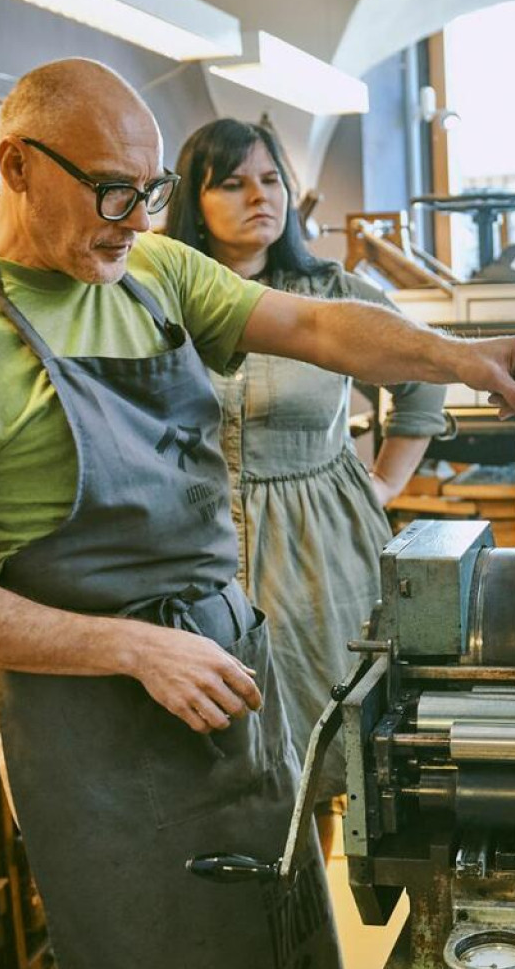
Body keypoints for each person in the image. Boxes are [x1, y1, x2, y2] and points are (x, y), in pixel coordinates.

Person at [0, 57, 515, 969]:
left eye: (150, 190)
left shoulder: (155, 272)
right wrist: (131, 648)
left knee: (282, 934)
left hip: (227, 677)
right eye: (110, 191)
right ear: (15, 165)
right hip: (95, 719)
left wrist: (452, 356)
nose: (136, 219)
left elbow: (313, 327)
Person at [166, 117, 448, 855]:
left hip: (317, 546)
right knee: (212, 744)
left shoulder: (332, 292)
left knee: (317, 747)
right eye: (231, 183)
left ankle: (305, 920)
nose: (259, 197)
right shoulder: (162, 295)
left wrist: (381, 487)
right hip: (193, 539)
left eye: (271, 180)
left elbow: (420, 389)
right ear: (195, 200)